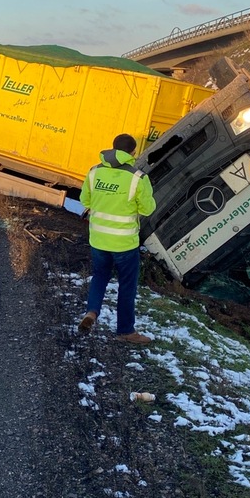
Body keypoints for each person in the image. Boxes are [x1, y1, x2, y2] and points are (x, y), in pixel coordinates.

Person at [78, 133, 156, 345]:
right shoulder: (138, 178)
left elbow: (84, 199)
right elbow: (148, 209)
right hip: (124, 243)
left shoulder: (94, 172)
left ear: (112, 148)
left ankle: (91, 312)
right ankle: (125, 330)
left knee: (100, 276)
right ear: (133, 153)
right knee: (127, 285)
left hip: (99, 239)